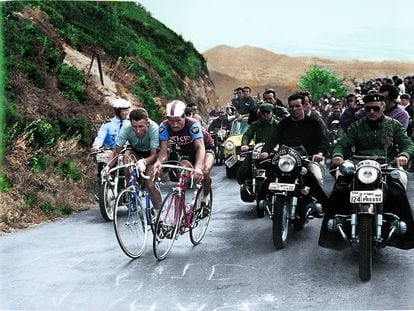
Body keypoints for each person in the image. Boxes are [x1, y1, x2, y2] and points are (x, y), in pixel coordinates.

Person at [319, 93, 414, 250]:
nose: (371, 112)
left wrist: (404, 155)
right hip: (358, 164)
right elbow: (343, 142)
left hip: (386, 165)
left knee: (401, 180)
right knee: (341, 181)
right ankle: (337, 222)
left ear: (382, 108)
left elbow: (407, 144)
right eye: (368, 108)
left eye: (375, 108)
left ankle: (401, 226)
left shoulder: (394, 125)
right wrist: (337, 155)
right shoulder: (357, 126)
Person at [259, 93, 329, 213]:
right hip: (286, 161)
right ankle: (263, 201)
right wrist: (265, 151)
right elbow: (272, 139)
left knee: (316, 176)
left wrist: (320, 153)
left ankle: (318, 205)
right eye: (291, 107)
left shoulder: (313, 123)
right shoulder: (283, 124)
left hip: (307, 160)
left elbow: (323, 141)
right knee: (268, 175)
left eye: (297, 106)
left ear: (303, 106)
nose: (294, 109)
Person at [154, 100, 214, 212]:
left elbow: (200, 148)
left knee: (204, 170)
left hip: (205, 147)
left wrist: (197, 168)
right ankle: (179, 217)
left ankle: (205, 197)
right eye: (171, 121)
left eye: (178, 120)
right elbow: (163, 151)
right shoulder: (164, 127)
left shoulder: (193, 125)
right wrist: (158, 163)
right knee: (183, 178)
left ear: (184, 116)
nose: (175, 125)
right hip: (186, 151)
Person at [102, 108, 161, 210]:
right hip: (135, 151)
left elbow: (154, 155)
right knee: (126, 154)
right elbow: (116, 151)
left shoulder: (154, 128)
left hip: (151, 154)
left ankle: (158, 210)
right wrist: (107, 167)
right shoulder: (126, 128)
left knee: (149, 183)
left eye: (141, 126)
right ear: (130, 123)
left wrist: (144, 161)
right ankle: (130, 186)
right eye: (134, 127)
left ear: (147, 123)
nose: (138, 131)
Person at [237, 103, 279, 198]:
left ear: (272, 113)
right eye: (263, 112)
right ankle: (247, 185)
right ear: (260, 113)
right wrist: (244, 144)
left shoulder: (277, 124)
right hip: (258, 150)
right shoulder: (255, 124)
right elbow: (247, 135)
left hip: (273, 151)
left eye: (268, 112)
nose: (265, 114)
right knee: (243, 168)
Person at [91, 98, 131, 181]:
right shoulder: (108, 124)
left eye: (127, 110)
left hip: (125, 151)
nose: (126, 112)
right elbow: (100, 137)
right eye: (124, 110)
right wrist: (96, 146)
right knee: (102, 166)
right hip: (110, 151)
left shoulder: (130, 123)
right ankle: (102, 187)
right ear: (117, 111)